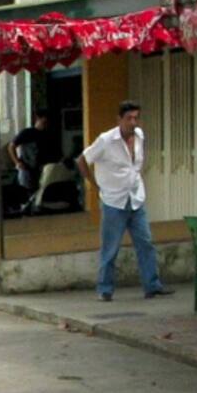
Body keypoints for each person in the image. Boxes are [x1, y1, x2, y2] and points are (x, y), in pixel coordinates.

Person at [77, 100, 174, 302]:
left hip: (135, 197)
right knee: (110, 248)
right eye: (129, 118)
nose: (133, 122)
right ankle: (105, 289)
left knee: (145, 242)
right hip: (114, 200)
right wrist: (95, 185)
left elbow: (134, 165)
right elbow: (83, 160)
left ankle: (152, 285)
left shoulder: (139, 136)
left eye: (136, 118)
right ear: (119, 119)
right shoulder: (106, 140)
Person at [8, 109, 51, 193]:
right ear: (38, 119)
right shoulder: (27, 133)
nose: (45, 125)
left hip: (41, 169)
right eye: (44, 122)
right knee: (27, 193)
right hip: (27, 170)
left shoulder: (46, 135)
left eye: (47, 123)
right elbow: (11, 146)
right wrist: (17, 162)